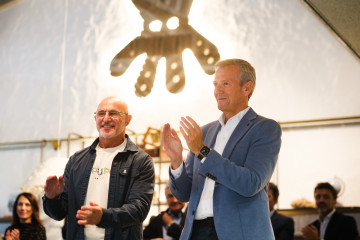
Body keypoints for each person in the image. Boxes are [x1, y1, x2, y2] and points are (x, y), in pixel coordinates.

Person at [161, 59, 282, 240]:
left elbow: (251, 183)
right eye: (215, 84)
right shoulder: (204, 132)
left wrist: (202, 150)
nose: (218, 90)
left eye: (226, 84)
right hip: (195, 233)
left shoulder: (265, 128)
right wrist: (176, 160)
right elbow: (183, 194)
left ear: (246, 88)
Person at [43, 96, 155, 240]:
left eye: (113, 113)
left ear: (128, 119)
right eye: (101, 113)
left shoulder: (140, 160)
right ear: (95, 118)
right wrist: (52, 198)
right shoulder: (77, 160)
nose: (106, 119)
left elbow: (139, 209)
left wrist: (103, 217)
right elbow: (58, 214)